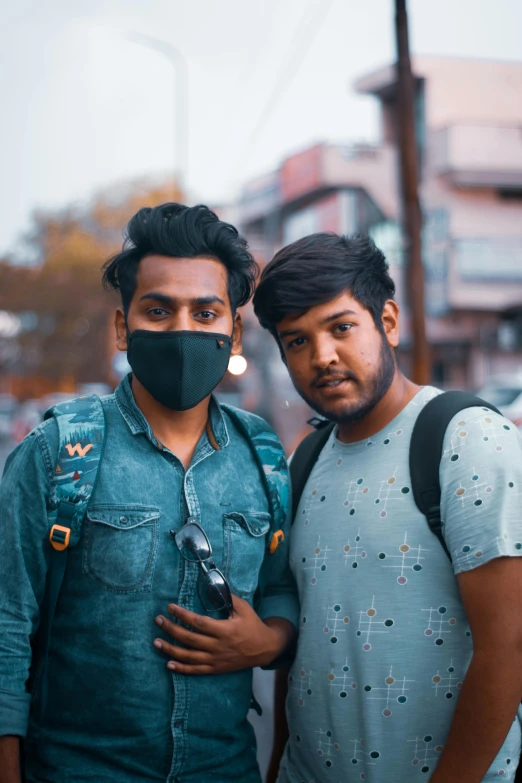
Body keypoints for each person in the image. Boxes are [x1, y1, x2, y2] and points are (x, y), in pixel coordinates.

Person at [0, 203, 298, 783]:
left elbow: (282, 586)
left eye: (205, 312)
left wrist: (268, 641)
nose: (183, 329)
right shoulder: (57, 452)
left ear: (233, 330)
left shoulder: (262, 457)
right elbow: (6, 626)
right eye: (158, 310)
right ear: (122, 326)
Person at [251, 232, 522, 783]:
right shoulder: (305, 459)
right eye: (296, 341)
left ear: (388, 322)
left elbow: (509, 646)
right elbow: (308, 637)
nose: (322, 356)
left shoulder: (466, 437)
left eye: (341, 327)